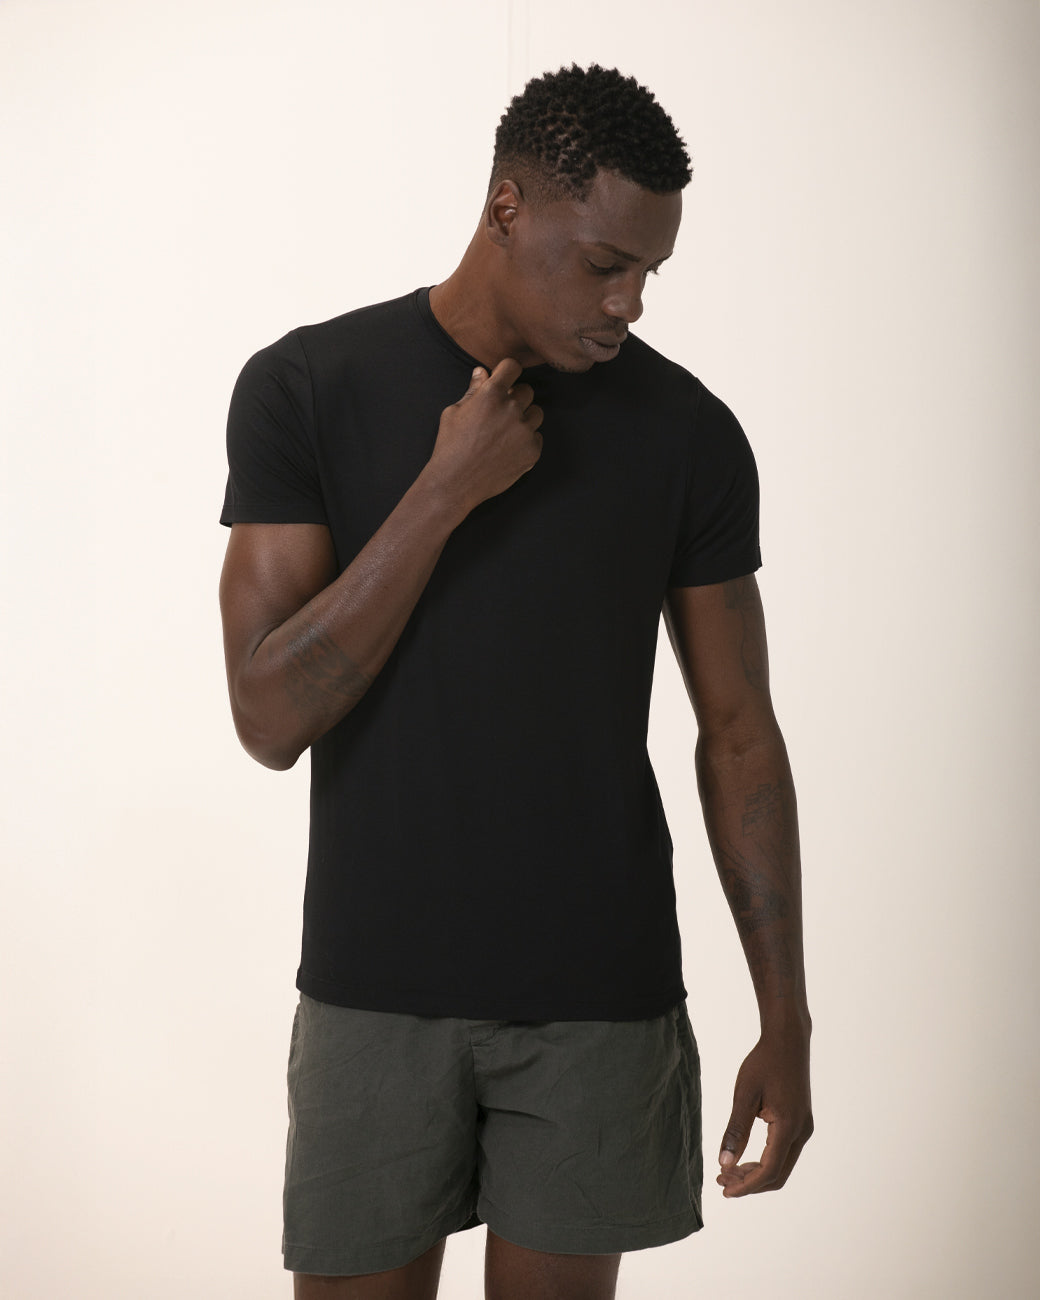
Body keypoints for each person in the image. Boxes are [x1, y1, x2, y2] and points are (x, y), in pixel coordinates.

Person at [219, 63, 812, 1300]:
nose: (627, 301)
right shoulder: (309, 387)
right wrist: (443, 490)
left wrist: (785, 1015)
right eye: (603, 263)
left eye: (649, 273)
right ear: (506, 206)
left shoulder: (687, 434)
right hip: (374, 990)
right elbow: (268, 715)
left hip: (596, 1000)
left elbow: (738, 732)